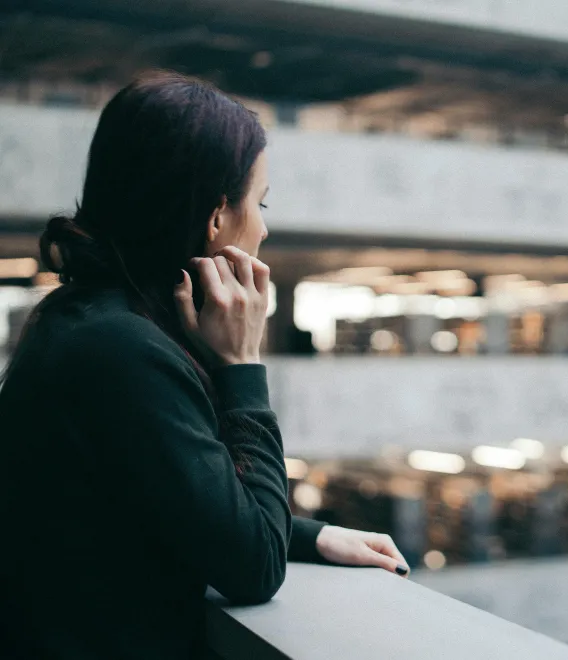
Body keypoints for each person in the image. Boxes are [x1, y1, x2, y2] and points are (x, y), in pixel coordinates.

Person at [0, 72, 409, 659]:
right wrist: (242, 365)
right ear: (217, 217)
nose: (263, 227)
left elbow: (169, 493)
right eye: (259, 203)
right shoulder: (123, 350)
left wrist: (312, 536)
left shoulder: (85, 319)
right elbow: (254, 567)